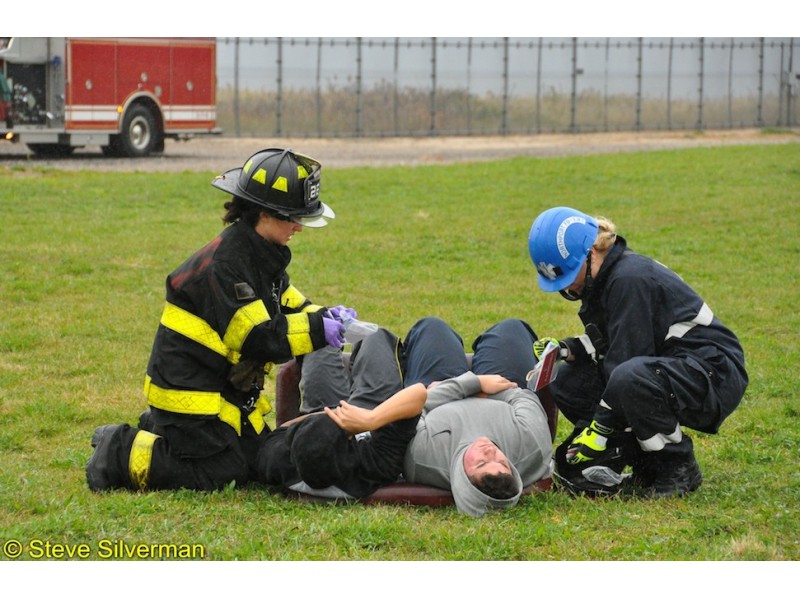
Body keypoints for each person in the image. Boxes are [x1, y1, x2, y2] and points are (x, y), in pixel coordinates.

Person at [86, 148, 354, 492]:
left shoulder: (257, 250)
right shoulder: (228, 265)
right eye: (292, 217)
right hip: (188, 392)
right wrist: (319, 330)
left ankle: (161, 428)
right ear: (264, 213)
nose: (298, 227)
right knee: (224, 471)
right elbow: (259, 337)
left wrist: (321, 314)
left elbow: (283, 300)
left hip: (221, 389)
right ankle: (118, 450)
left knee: (258, 458)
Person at [527, 206, 748, 498]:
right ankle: (642, 459)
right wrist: (568, 349)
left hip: (713, 372)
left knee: (630, 379)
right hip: (670, 365)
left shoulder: (628, 279)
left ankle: (677, 465)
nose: (567, 286)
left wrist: (600, 428)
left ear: (591, 250)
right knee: (569, 379)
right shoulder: (606, 278)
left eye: (569, 274)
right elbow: (615, 341)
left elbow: (626, 365)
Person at [399, 317, 553, 517]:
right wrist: (482, 387)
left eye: (481, 463)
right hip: (503, 387)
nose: (489, 452)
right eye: (502, 462)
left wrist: (466, 386)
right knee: (511, 328)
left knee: (432, 328)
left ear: (461, 478)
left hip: (439, 388)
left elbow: (411, 408)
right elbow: (524, 398)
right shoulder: (533, 448)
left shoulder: (421, 459)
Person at [257, 329, 427, 499]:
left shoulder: (278, 461)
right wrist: (370, 419)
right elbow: (418, 393)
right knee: (376, 337)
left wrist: (328, 414)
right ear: (348, 442)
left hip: (321, 410)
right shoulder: (371, 466)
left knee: (322, 334)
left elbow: (282, 430)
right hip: (373, 408)